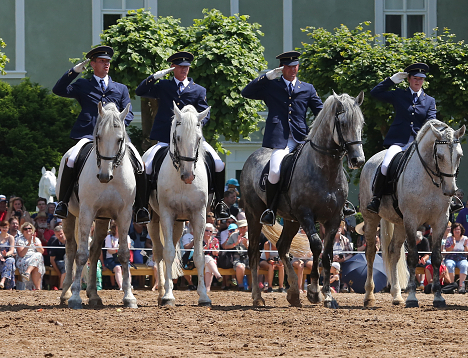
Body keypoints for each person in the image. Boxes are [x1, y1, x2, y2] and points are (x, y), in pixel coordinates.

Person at [52, 45, 150, 223]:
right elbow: (58, 90)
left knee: (140, 164)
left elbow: (127, 114)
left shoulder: (120, 88)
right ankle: (63, 202)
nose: (106, 64)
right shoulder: (83, 84)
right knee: (71, 159)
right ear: (92, 64)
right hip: (88, 135)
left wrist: (117, 127)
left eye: (108, 62)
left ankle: (141, 207)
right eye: (102, 61)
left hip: (115, 138)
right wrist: (74, 72)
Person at [136, 51, 230, 220]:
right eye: (180, 67)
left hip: (191, 140)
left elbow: (205, 113)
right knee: (146, 166)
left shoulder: (198, 90)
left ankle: (219, 203)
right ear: (173, 68)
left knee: (218, 163)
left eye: (186, 67)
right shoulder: (164, 86)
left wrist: (196, 124)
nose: (184, 70)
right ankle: (142, 206)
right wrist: (155, 76)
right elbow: (141, 90)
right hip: (166, 139)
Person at [241, 51, 325, 225]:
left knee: (326, 163)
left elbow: (321, 112)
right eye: (288, 67)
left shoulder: (307, 88)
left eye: (295, 66)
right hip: (281, 139)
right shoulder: (272, 86)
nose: (292, 70)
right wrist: (266, 77)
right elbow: (246, 92)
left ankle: (338, 202)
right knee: (274, 171)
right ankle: (271, 209)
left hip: (303, 137)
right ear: (282, 68)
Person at [367, 63, 462, 214]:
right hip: (399, 141)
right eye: (415, 78)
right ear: (409, 79)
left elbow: (432, 122)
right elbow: (375, 93)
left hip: (420, 143)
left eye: (421, 79)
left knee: (444, 162)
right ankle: (376, 199)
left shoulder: (429, 100)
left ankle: (450, 200)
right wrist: (391, 81)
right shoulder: (399, 94)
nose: (418, 82)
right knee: (385, 165)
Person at [442, 222, 468, 294]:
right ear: (452, 231)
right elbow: (447, 251)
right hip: (450, 258)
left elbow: (467, 252)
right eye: (455, 229)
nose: (457, 231)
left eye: (458, 229)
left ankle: (461, 285)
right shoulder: (449, 239)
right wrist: (453, 245)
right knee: (449, 265)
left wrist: (465, 246)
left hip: (462, 258)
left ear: (461, 230)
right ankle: (452, 285)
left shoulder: (465, 238)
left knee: (464, 265)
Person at [16, 222, 45, 290]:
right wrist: (28, 244)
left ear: (32, 230)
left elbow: (42, 251)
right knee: (37, 260)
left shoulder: (36, 239)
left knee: (38, 256)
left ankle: (27, 272)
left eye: (30, 228)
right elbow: (21, 254)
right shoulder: (20, 240)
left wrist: (34, 243)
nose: (28, 230)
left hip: (35, 259)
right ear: (22, 231)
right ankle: (38, 289)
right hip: (24, 259)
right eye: (25, 229)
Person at [44, 224, 67, 289]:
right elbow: (52, 260)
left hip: (69, 260)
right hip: (59, 261)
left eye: (61, 234)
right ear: (55, 235)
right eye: (58, 235)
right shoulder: (54, 243)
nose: (60, 236)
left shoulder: (70, 242)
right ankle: (61, 288)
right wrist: (59, 273)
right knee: (66, 268)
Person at [0, 220, 15, 289]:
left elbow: (11, 250)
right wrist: (0, 256)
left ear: (8, 228)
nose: (4, 229)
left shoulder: (11, 237)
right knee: (9, 264)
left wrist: (6, 254)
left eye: (6, 227)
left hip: (7, 256)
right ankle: (9, 287)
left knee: (10, 260)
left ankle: (3, 281)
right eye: (3, 227)